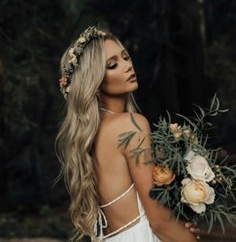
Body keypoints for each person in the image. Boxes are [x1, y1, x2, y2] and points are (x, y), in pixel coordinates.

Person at [55, 26, 200, 242]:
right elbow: (160, 222)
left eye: (126, 57)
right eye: (113, 65)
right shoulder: (130, 125)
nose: (128, 66)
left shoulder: (94, 134)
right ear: (93, 81)